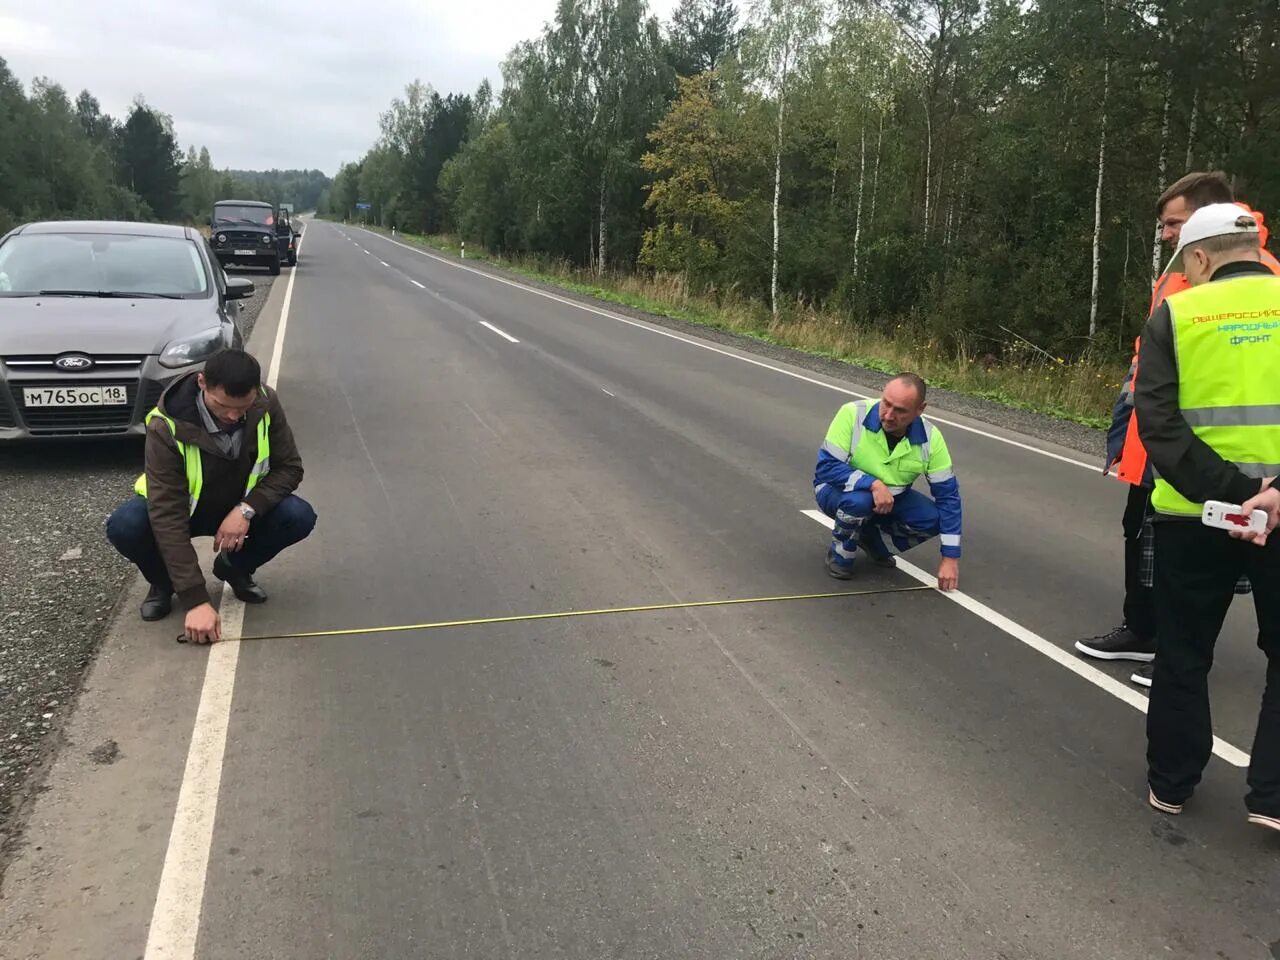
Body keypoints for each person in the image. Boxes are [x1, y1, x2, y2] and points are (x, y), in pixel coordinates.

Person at [1077, 171, 1280, 686]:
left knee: (1193, 568)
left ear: (1204, 230)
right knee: (1138, 534)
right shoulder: (1179, 274)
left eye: (1174, 225)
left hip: (1214, 462)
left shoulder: (1253, 273)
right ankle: (1143, 631)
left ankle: (1168, 649)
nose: (1167, 235)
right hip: (1161, 440)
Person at [1134, 203, 1280, 833]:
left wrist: (1230, 494)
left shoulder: (1178, 313)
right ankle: (1273, 798)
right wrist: (1269, 494)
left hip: (1194, 515)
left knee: (1184, 653)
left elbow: (1160, 426)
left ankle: (1172, 782)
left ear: (1197, 257)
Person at [105, 349, 316, 644]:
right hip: (185, 509)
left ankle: (235, 567)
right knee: (125, 524)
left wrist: (246, 510)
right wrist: (195, 600)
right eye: (223, 405)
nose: (233, 416)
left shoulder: (266, 403)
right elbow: (167, 514)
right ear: (202, 382)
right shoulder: (165, 425)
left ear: (255, 392)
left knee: (298, 516)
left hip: (236, 507)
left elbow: (289, 468)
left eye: (242, 407)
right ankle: (164, 583)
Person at [814, 374, 962, 591]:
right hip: (837, 490)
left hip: (892, 499)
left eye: (900, 410)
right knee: (859, 502)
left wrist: (950, 558)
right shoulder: (852, 414)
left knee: (933, 518)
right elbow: (826, 467)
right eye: (886, 403)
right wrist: (872, 483)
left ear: (920, 409)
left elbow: (948, 497)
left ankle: (873, 542)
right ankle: (840, 552)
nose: (889, 415)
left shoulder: (931, 439)